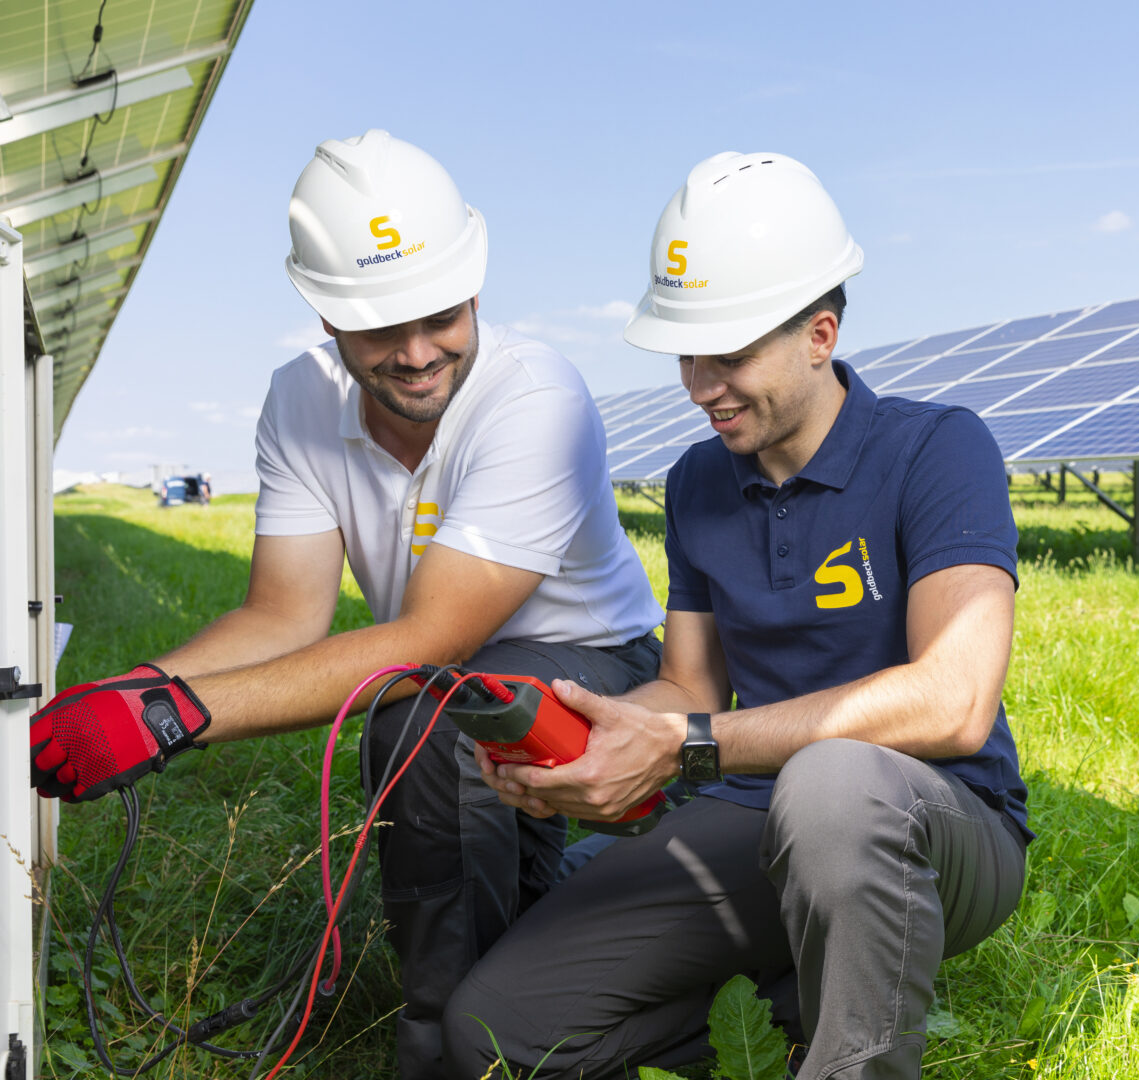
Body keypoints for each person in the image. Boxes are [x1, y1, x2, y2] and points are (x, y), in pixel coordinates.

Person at [28, 130, 665, 1079]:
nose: (416, 355)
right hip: (463, 671)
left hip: (597, 669)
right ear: (323, 316)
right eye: (378, 329)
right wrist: (123, 694)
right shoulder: (300, 401)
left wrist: (169, 718)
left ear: (477, 287)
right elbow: (283, 616)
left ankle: (461, 1048)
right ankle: (540, 960)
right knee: (446, 732)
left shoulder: (535, 398)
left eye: (440, 316)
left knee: (426, 716)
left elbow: (431, 638)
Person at [442, 151, 1031, 1080]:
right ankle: (754, 1015)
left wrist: (690, 745)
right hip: (751, 812)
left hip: (939, 821)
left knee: (832, 786)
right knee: (495, 1028)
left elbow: (951, 701)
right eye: (687, 354)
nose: (700, 384)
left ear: (820, 334)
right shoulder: (697, 483)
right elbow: (689, 684)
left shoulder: (937, 448)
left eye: (730, 355)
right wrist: (585, 736)